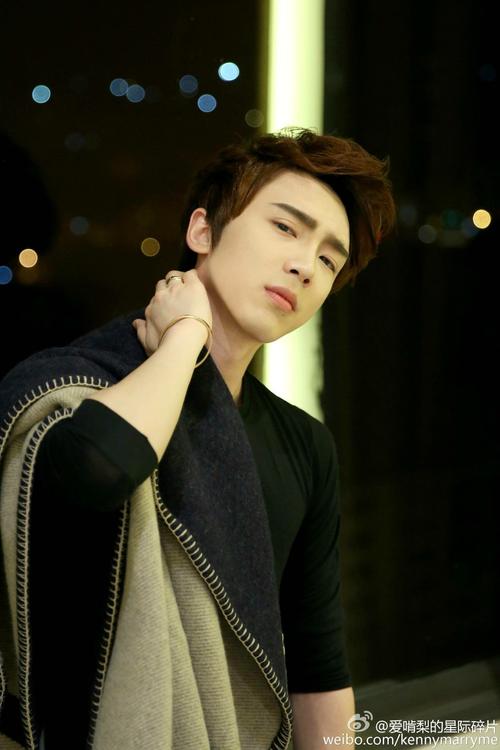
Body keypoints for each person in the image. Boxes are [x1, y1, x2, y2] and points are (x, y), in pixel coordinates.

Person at [0, 128, 396, 750]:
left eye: (328, 260)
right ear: (203, 232)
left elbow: (317, 670)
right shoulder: (82, 380)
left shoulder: (305, 446)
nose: (304, 266)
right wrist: (186, 336)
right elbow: (95, 472)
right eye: (285, 228)